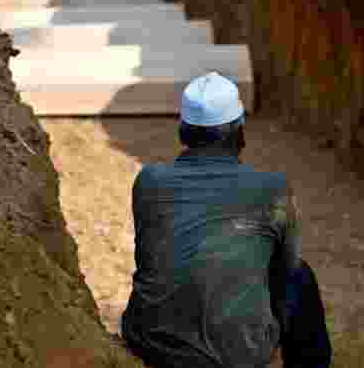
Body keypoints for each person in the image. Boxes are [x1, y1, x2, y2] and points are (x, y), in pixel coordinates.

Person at [121, 72, 333, 368]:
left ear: (183, 131)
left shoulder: (149, 181)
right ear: (239, 130)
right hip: (236, 356)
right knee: (299, 276)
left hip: (154, 345)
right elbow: (287, 265)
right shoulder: (272, 188)